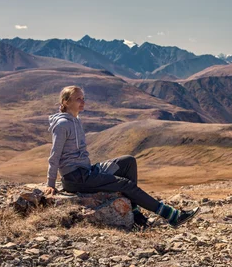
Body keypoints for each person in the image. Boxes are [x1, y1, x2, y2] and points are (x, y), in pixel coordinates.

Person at [44, 85, 199, 228]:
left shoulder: (76, 120)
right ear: (66, 101)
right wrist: (50, 183)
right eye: (78, 99)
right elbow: (55, 154)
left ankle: (136, 215)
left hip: (87, 171)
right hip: (76, 178)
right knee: (125, 184)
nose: (83, 102)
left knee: (128, 162)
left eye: (83, 98)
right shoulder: (63, 124)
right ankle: (172, 215)